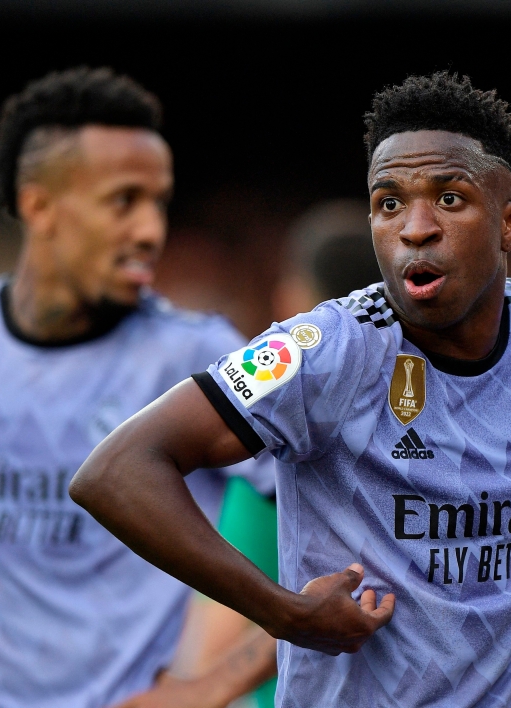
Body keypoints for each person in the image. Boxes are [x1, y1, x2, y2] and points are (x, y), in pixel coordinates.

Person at [70, 72, 511, 706]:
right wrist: (283, 611)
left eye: (449, 200)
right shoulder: (320, 351)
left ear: (510, 222)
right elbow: (114, 471)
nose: (414, 227)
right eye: (388, 203)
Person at [0, 67, 274, 707]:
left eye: (159, 203)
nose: (151, 231)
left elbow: (356, 533)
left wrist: (211, 687)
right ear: (38, 205)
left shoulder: (198, 353)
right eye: (124, 200)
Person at [122, 199, 381, 708]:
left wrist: (199, 689)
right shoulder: (464, 435)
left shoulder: (281, 454)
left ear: (296, 299)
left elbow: (216, 643)